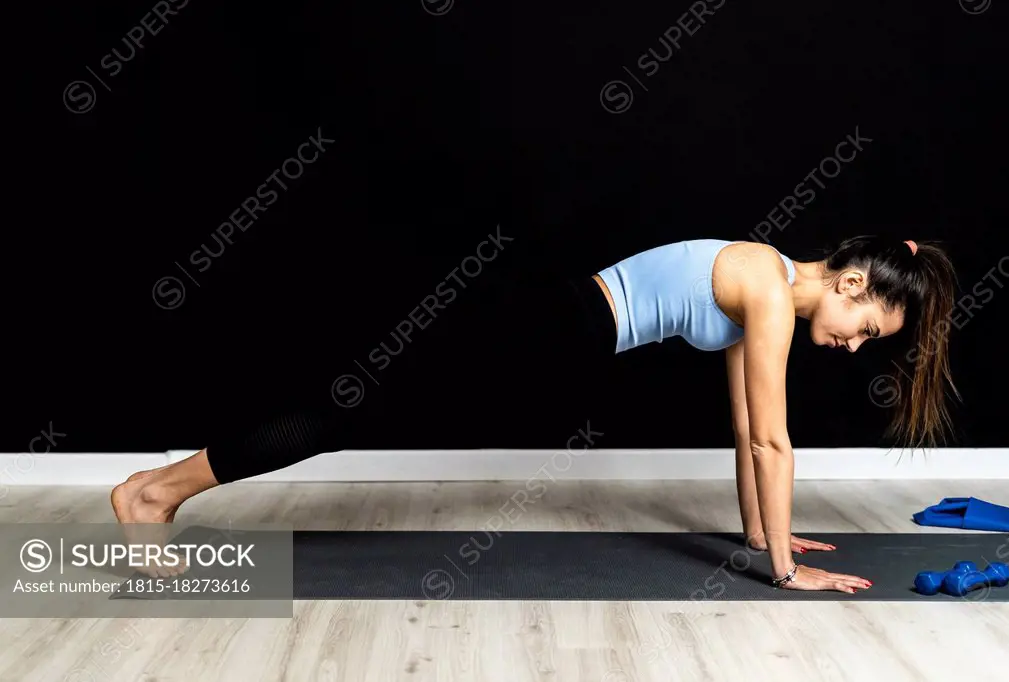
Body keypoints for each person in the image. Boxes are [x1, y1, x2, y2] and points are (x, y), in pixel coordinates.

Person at [112, 236, 958, 591]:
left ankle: (159, 489)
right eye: (866, 328)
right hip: (535, 334)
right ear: (852, 284)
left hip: (544, 337)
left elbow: (745, 427)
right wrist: (786, 569)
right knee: (341, 414)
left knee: (345, 410)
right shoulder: (767, 287)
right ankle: (154, 494)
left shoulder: (764, 279)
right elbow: (775, 438)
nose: (853, 346)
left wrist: (757, 538)